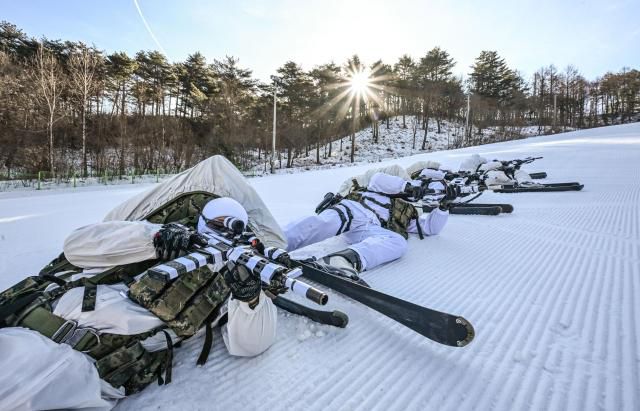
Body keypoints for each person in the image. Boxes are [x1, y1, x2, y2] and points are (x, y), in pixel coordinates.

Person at [0, 155, 284, 411]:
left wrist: (250, 299)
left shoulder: (230, 271)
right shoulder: (150, 236)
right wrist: (153, 239)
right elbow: (75, 247)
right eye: (216, 224)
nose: (222, 233)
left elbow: (250, 345)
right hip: (25, 336)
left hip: (90, 374)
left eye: (232, 225)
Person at [284, 166, 455, 279]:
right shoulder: (394, 182)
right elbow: (377, 179)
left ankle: (343, 260)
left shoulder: (412, 210)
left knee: (398, 242)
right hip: (354, 209)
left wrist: (443, 207)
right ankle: (275, 241)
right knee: (323, 223)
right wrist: (407, 187)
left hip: (370, 230)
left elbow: (429, 228)